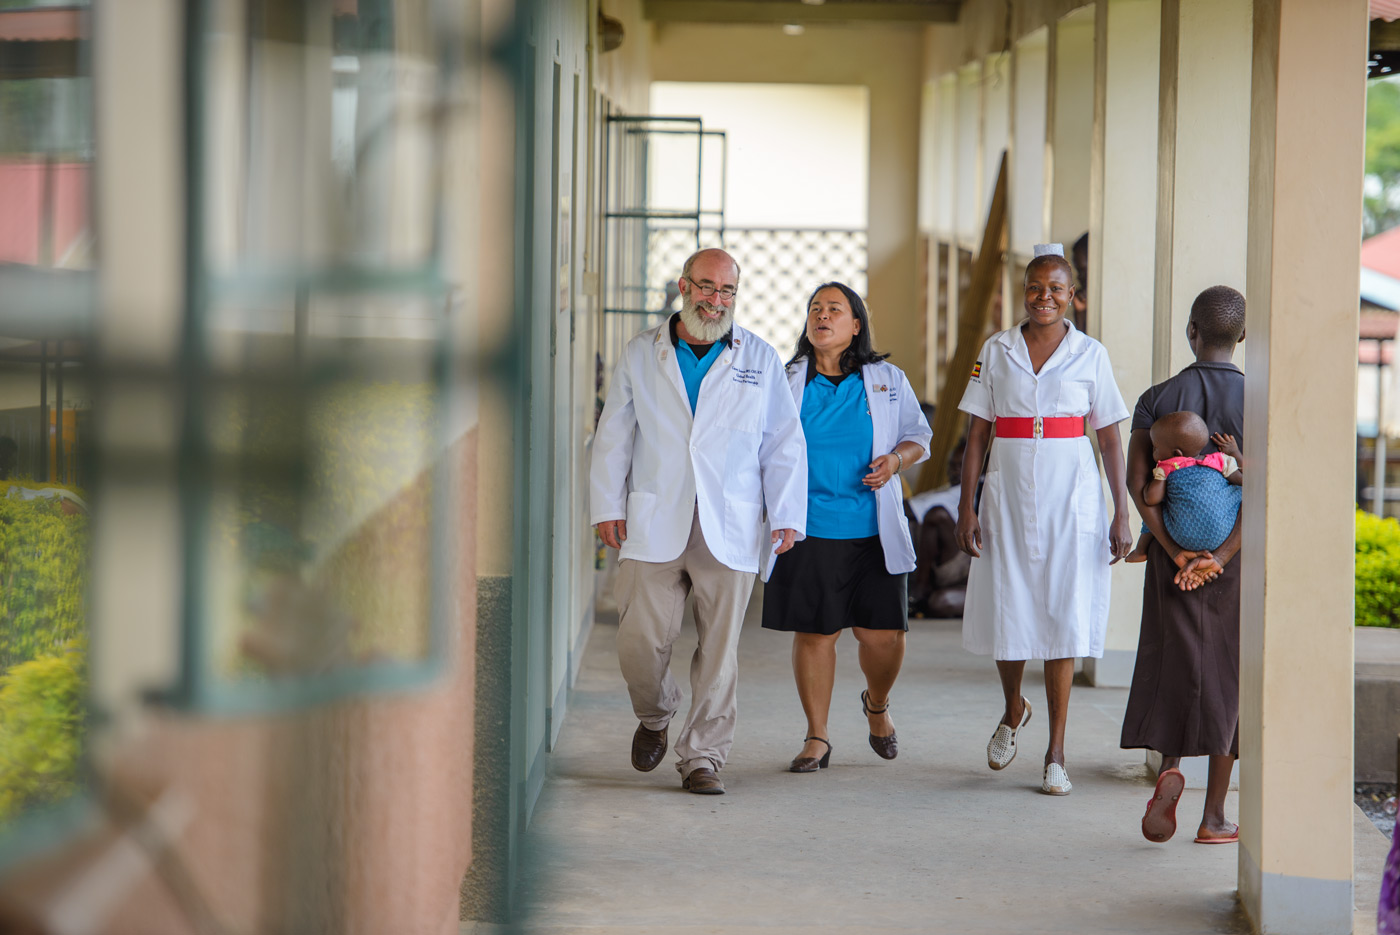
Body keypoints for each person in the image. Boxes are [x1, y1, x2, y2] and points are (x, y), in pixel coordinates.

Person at [590, 247, 807, 796]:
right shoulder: (643, 353)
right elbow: (614, 433)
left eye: (727, 291)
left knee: (719, 650)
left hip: (728, 522)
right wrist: (607, 505)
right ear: (684, 288)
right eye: (707, 287)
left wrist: (785, 512)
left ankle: (703, 756)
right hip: (654, 514)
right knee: (638, 639)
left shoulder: (758, 357)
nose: (716, 300)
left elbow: (783, 442)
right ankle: (656, 713)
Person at [954, 243, 1133, 796]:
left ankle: (1056, 752)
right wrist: (966, 504)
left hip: (1072, 496)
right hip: (1006, 494)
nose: (1045, 296)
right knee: (1010, 606)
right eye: (1035, 287)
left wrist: (1120, 510)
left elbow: (1108, 435)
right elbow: (978, 433)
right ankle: (1014, 710)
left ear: (1072, 296)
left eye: (1057, 288)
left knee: (1063, 614)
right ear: (1023, 292)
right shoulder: (997, 349)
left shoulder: (1090, 354)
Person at [761, 282, 931, 772]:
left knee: (883, 637)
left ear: (855, 325)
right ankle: (817, 736)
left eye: (835, 309)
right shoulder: (786, 379)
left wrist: (897, 460)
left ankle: (876, 707)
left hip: (871, 530)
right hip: (807, 527)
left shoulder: (885, 379)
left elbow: (919, 435)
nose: (823, 316)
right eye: (815, 308)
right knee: (816, 633)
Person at [1121, 285, 1246, 844]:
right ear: (1241, 337)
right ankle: (1214, 815)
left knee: (1177, 661)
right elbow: (1264, 489)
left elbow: (1137, 482)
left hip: (1170, 554)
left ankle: (1171, 763)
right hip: (1236, 561)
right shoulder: (1260, 397)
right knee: (1229, 676)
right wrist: (1218, 556)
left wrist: (1173, 552)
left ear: (1191, 332)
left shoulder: (1158, 396)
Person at [1125, 413, 1242, 563]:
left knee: (1153, 510)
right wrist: (1234, 453)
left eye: (1155, 448)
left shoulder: (1167, 467)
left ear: (1176, 454)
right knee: (1243, 492)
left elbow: (1150, 499)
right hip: (1222, 533)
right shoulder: (1219, 460)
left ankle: (1141, 550)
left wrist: (1158, 477)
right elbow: (1244, 481)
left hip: (1183, 537)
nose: (1153, 451)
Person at [906, 438, 972, 619]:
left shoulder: (969, 490)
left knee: (936, 515)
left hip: (967, 560)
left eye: (961, 466)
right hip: (949, 563)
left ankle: (921, 589)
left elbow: (909, 509)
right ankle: (921, 588)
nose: (954, 472)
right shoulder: (946, 490)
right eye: (952, 466)